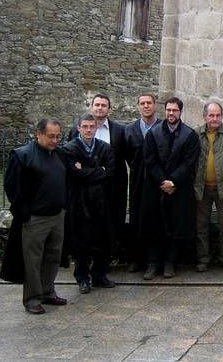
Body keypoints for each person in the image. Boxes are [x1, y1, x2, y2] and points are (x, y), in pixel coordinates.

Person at [0, 119, 69, 314]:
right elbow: (12, 187)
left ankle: (47, 291)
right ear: (38, 134)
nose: (55, 140)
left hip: (57, 216)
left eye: (58, 136)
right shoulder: (22, 156)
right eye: (51, 136)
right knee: (32, 260)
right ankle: (32, 298)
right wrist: (26, 214)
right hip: (35, 218)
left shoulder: (60, 154)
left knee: (53, 257)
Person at [141, 97, 200, 280]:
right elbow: (150, 160)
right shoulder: (154, 133)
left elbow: (190, 162)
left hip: (179, 189)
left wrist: (173, 181)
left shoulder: (189, 135)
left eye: (174, 110)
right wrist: (163, 181)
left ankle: (170, 263)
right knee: (154, 226)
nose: (171, 113)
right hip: (156, 187)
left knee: (175, 227)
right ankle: (153, 263)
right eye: (168, 110)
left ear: (180, 112)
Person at [69, 94, 128, 262]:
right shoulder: (77, 129)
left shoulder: (120, 130)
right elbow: (72, 161)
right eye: (97, 105)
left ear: (109, 109)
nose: (100, 108)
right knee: (87, 224)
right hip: (85, 188)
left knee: (110, 222)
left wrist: (98, 170)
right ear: (91, 107)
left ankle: (109, 256)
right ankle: (86, 259)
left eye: (104, 105)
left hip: (111, 185)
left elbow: (122, 158)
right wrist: (97, 171)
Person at [63, 114, 117, 293]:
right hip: (80, 202)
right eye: (84, 126)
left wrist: (86, 171)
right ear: (78, 128)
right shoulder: (70, 149)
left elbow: (109, 172)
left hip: (101, 201)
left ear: (96, 128)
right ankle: (82, 278)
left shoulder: (105, 147)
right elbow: (73, 174)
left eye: (91, 127)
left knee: (102, 240)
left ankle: (99, 275)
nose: (88, 130)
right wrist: (97, 170)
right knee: (81, 242)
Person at [194, 102, 223, 272]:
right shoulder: (196, 134)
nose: (215, 119)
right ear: (204, 116)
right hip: (202, 188)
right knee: (201, 225)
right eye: (211, 115)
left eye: (218, 115)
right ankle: (203, 259)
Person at [123, 93, 161, 272]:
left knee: (155, 220)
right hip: (138, 180)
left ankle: (154, 261)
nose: (146, 106)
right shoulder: (129, 130)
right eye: (142, 103)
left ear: (155, 105)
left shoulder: (163, 127)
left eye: (149, 103)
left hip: (157, 182)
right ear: (138, 106)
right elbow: (128, 155)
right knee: (136, 217)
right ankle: (137, 259)